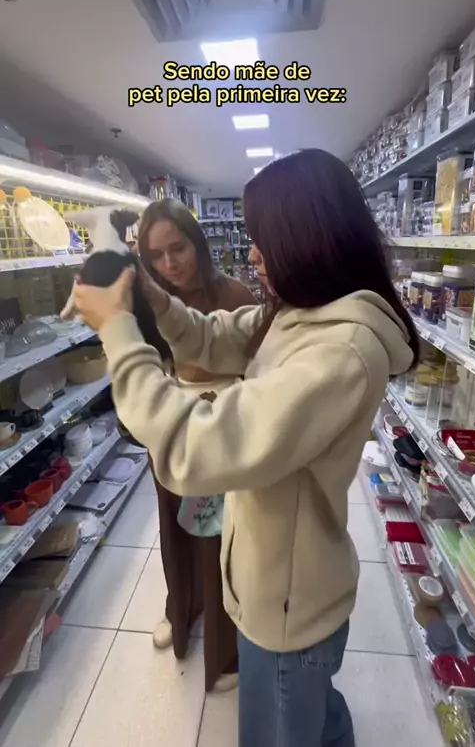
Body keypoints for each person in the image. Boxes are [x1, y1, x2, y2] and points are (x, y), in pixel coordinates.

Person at [70, 149, 418, 747]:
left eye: (263, 239)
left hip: (288, 606)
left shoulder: (339, 353)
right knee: (318, 717)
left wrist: (117, 331)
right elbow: (211, 336)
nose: (253, 253)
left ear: (307, 239)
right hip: (277, 577)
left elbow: (197, 447)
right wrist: (146, 292)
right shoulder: (299, 315)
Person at [135, 199, 257, 693]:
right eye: (156, 255)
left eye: (178, 248)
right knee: (175, 528)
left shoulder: (234, 294)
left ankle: (226, 649)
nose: (170, 263)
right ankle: (180, 610)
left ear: (198, 243)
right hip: (172, 427)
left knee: (221, 537)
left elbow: (257, 371)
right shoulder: (149, 302)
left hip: (224, 432)